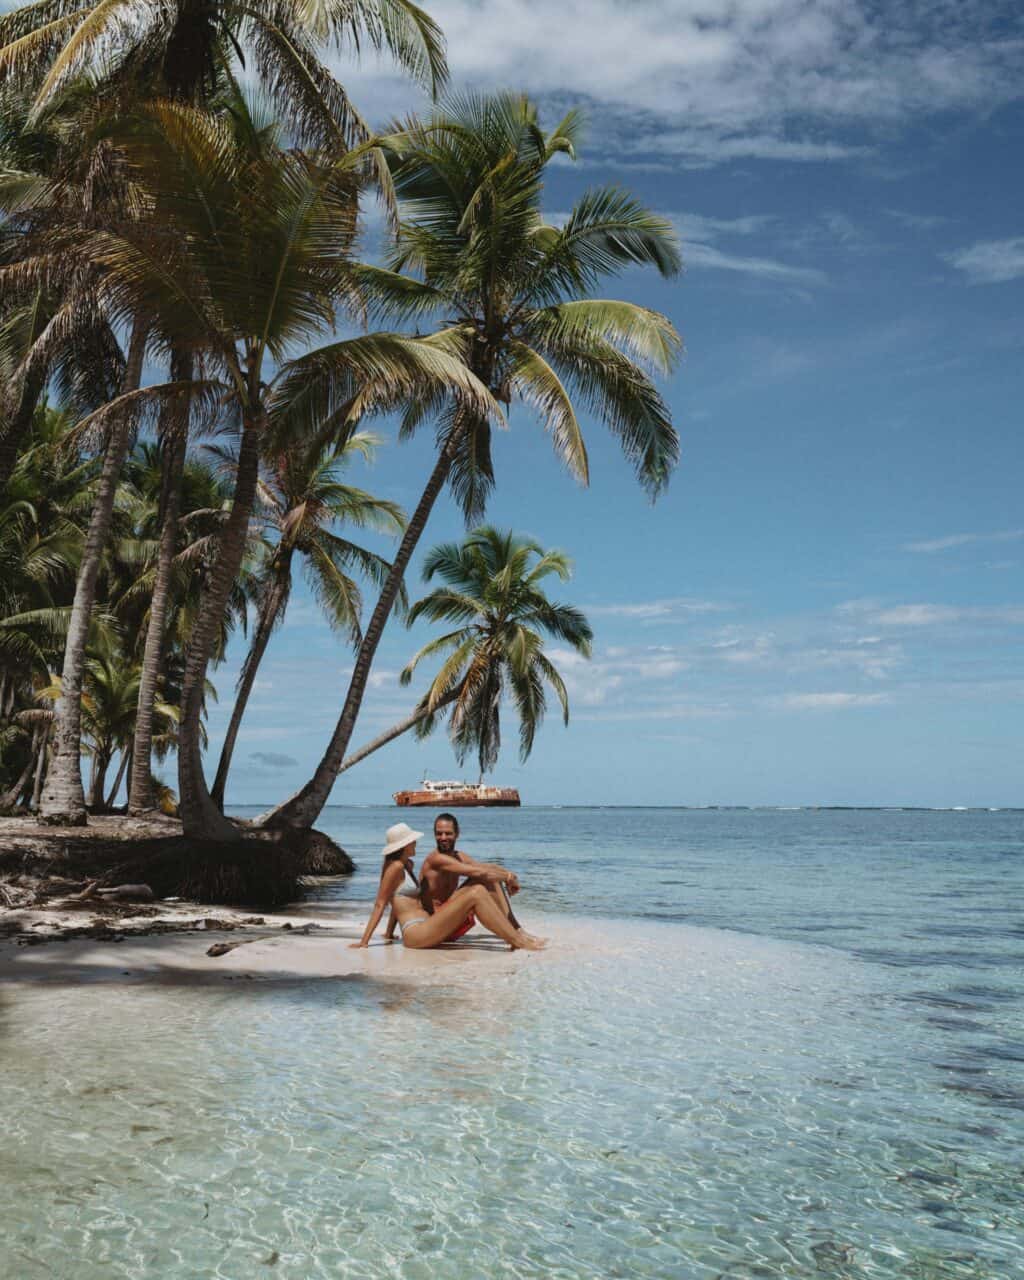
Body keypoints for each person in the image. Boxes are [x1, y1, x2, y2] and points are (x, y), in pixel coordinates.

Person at [349, 822, 545, 951]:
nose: (416, 842)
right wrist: (364, 942)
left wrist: (390, 933)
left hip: (427, 926)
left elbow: (399, 901)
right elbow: (381, 903)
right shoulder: (395, 867)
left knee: (483, 884)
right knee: (476, 892)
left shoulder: (406, 865)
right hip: (416, 933)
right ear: (404, 845)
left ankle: (516, 934)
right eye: (412, 840)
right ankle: (518, 941)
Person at [402, 812, 521, 943]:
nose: (443, 837)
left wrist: (510, 875)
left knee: (489, 878)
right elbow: (481, 873)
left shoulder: (459, 856)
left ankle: (516, 929)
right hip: (436, 928)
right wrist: (508, 877)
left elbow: (485, 868)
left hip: (453, 922)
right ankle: (516, 932)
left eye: (448, 833)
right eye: (439, 833)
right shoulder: (435, 859)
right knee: (483, 878)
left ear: (457, 834)